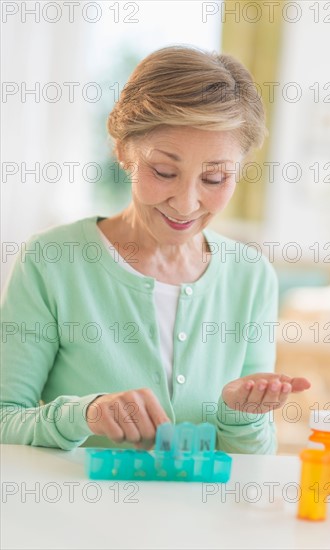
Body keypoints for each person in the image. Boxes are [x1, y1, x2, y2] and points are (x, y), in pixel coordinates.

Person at [0, 45, 310, 453]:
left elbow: (254, 455)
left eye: (215, 178)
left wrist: (240, 414)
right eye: (164, 171)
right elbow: (6, 417)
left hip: (205, 518)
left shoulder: (250, 275)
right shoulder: (51, 261)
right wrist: (84, 414)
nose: (186, 203)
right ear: (123, 150)